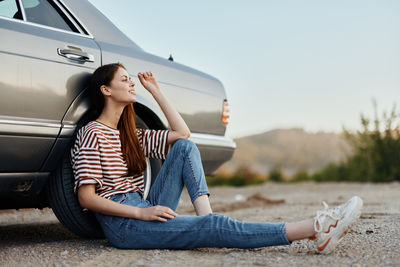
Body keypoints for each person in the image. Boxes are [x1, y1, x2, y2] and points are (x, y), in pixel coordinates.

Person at [70, 63, 363, 253]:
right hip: (123, 224)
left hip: (145, 205)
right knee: (212, 225)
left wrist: (156, 91)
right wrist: (141, 213)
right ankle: (316, 228)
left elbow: (182, 134)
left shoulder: (130, 133)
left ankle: (208, 221)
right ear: (105, 90)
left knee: (185, 148)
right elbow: (87, 198)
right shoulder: (91, 133)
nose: (132, 83)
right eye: (125, 80)